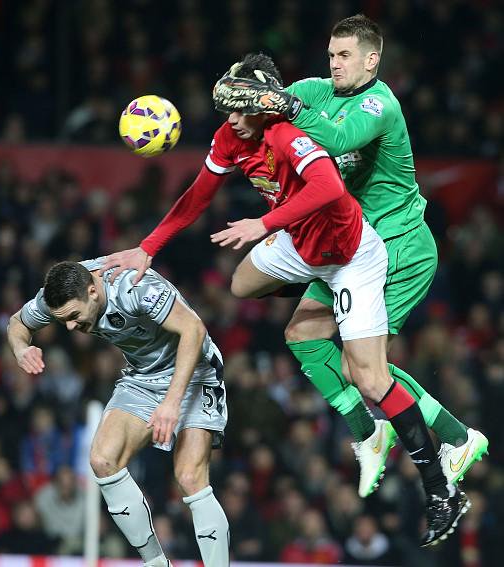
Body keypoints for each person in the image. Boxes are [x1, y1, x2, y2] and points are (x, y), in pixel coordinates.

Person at [101, 53, 467, 547]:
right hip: (300, 245)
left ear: (261, 106)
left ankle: (441, 489)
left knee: (371, 378)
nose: (230, 119)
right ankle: (341, 325)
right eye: (226, 109)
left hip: (352, 255)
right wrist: (148, 249)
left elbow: (329, 185)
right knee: (241, 284)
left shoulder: (286, 133)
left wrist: (264, 224)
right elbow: (199, 194)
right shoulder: (232, 136)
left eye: (239, 108)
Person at [203, 14, 489, 496]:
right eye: (331, 55)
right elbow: (268, 108)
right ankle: (369, 432)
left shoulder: (381, 104)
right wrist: (249, 90)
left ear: (371, 60)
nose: (334, 64)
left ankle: (458, 439)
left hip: (398, 245)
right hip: (341, 244)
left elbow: (336, 139)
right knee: (302, 336)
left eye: (345, 56)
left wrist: (287, 105)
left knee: (365, 369)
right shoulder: (316, 90)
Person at [7, 259, 230, 567]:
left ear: (93, 291)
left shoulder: (135, 287)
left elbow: (193, 328)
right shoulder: (61, 292)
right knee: (102, 460)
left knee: (190, 477)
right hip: (142, 379)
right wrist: (21, 349)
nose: (70, 327)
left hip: (194, 372)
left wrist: (171, 402)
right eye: (63, 321)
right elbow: (16, 323)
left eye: (73, 316)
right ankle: (156, 564)